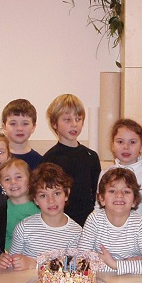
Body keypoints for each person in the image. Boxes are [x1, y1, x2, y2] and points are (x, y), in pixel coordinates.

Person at [79, 167, 142, 275]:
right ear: (102, 199)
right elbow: (81, 262)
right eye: (112, 191)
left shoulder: (139, 223)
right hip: (102, 280)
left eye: (126, 191)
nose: (119, 195)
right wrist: (126, 264)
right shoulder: (94, 220)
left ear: (134, 201)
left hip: (133, 281)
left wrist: (115, 264)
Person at [7, 163, 82, 271]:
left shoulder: (76, 233)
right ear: (35, 199)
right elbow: (11, 265)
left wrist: (35, 264)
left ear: (66, 194)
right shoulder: (24, 228)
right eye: (43, 195)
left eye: (57, 193)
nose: (51, 201)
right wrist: (5, 262)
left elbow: (73, 269)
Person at [41, 93, 101, 226]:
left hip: (88, 223)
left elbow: (96, 194)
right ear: (54, 123)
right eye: (67, 120)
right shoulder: (49, 160)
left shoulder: (91, 157)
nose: (74, 124)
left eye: (78, 119)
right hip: (60, 224)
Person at [97, 118, 142, 219]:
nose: (126, 147)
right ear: (112, 145)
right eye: (120, 142)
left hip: (140, 228)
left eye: (132, 142)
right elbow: (98, 208)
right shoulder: (105, 173)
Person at [1, 158, 39, 250]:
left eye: (18, 177)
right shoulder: (2, 210)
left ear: (30, 180)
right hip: (14, 254)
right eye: (7, 179)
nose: (13, 182)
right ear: (1, 185)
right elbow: (3, 238)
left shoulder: (40, 205)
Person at [2, 98, 44, 171]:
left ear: (33, 127)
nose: (19, 128)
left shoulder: (40, 162)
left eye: (25, 123)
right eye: (13, 123)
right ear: (4, 127)